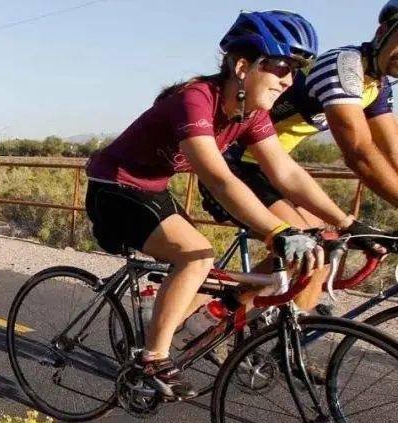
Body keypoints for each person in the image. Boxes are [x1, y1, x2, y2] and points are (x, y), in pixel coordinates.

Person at [84, 11, 374, 401]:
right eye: (282, 67)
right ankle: (152, 358)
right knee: (196, 255)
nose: (289, 80)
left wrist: (346, 221)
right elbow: (219, 179)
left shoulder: (251, 115)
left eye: (295, 70)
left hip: (151, 189)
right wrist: (277, 231)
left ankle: (176, 322)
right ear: (242, 66)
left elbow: (286, 172)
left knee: (205, 268)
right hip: (113, 187)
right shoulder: (195, 100)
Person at [199, 2, 398, 315]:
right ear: (382, 32)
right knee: (310, 245)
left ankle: (289, 336)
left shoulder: (377, 85)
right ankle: (215, 317)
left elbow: (393, 151)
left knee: (332, 240)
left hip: (271, 168)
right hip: (234, 165)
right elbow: (359, 152)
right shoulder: (344, 67)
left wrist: (350, 224)